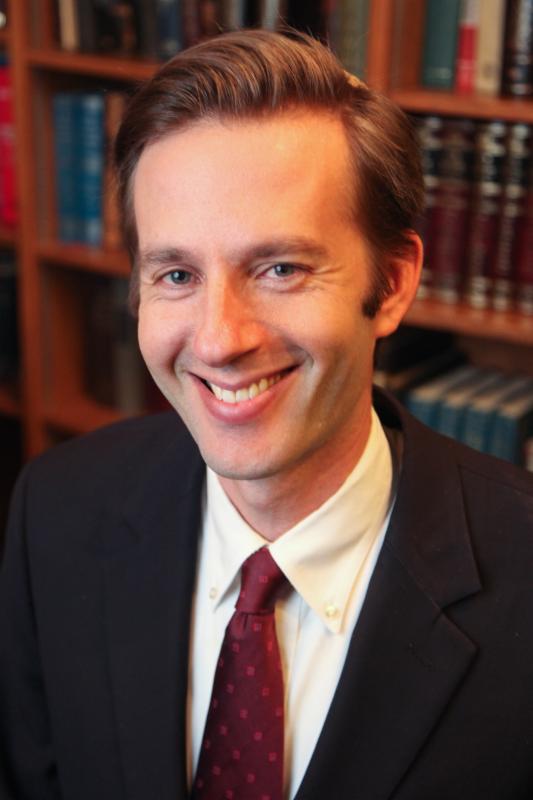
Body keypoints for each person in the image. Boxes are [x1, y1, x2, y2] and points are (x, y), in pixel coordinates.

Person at [1, 28, 533, 800]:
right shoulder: (53, 511)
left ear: (390, 284)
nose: (219, 340)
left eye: (279, 268)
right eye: (177, 274)